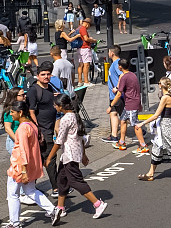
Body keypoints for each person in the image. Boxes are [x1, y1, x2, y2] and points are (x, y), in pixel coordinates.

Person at [44, 94, 107, 223]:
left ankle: (97, 204)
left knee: (75, 181)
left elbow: (59, 141)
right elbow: (81, 137)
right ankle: (60, 208)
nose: (54, 107)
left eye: (55, 105)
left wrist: (49, 158)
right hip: (72, 153)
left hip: (70, 154)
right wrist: (83, 154)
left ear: (61, 106)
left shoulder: (65, 119)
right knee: (62, 180)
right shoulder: (74, 115)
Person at [5, 100, 58, 227]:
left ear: (20, 112)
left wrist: (23, 171)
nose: (11, 115)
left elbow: (23, 150)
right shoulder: (32, 125)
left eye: (13, 112)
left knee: (12, 194)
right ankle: (53, 210)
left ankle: (14, 223)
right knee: (31, 191)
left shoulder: (22, 129)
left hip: (19, 166)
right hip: (32, 164)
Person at [25, 61, 59, 197]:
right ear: (37, 76)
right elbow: (31, 111)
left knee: (40, 159)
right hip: (42, 131)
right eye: (43, 74)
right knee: (50, 158)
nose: (46, 76)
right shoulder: (34, 90)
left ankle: (29, 188)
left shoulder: (50, 87)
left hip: (50, 128)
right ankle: (56, 188)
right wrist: (37, 130)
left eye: (48, 74)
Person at [107, 58, 148, 153]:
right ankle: (122, 142)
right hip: (132, 103)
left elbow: (118, 94)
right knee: (123, 120)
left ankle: (143, 145)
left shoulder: (124, 77)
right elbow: (137, 90)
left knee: (135, 124)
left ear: (120, 67)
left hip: (130, 104)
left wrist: (111, 105)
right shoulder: (133, 75)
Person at [101, 45, 122, 144]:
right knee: (114, 113)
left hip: (117, 95)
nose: (108, 53)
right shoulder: (117, 63)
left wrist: (117, 87)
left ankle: (139, 129)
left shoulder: (116, 63)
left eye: (109, 52)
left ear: (112, 53)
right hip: (116, 95)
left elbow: (122, 75)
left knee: (118, 114)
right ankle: (114, 136)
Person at [76, 18, 95, 87]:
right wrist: (93, 40)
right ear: (87, 24)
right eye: (89, 25)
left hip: (79, 48)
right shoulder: (83, 28)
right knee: (86, 64)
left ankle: (80, 81)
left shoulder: (78, 28)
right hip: (85, 48)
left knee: (80, 64)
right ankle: (86, 81)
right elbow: (86, 38)